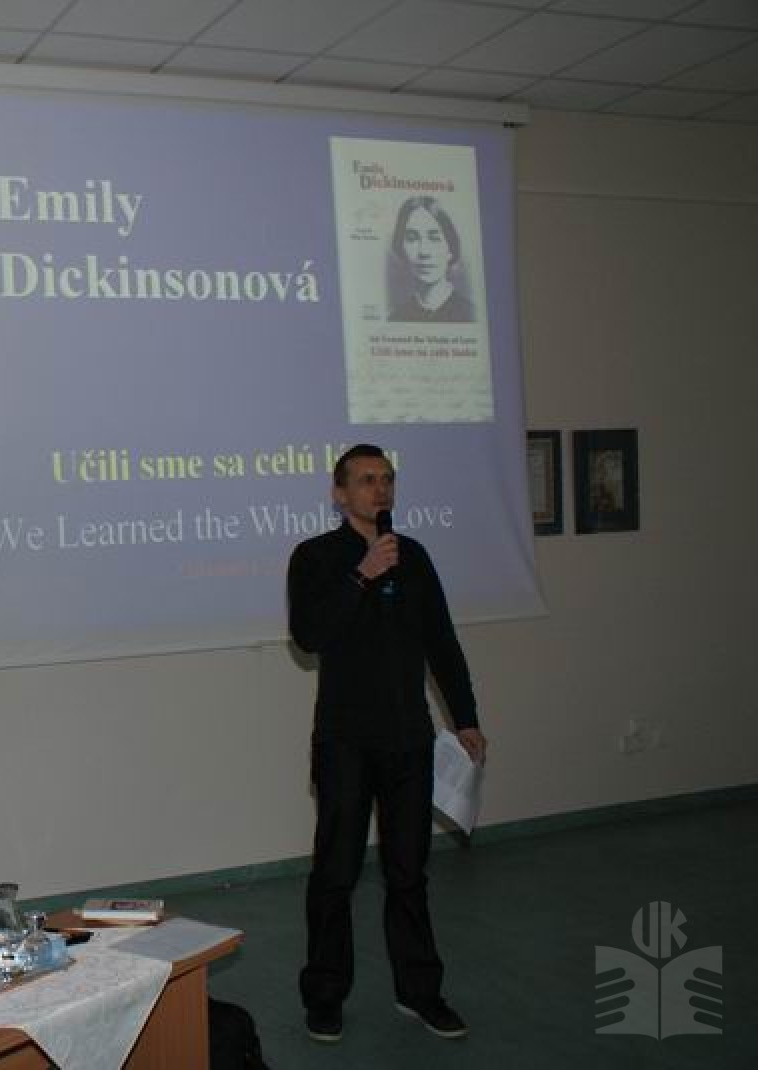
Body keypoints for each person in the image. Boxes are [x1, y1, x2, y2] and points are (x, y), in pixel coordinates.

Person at [287, 444, 487, 1044]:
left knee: (409, 874)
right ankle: (325, 996)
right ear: (339, 493)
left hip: (409, 740)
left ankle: (420, 992)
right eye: (366, 480)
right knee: (336, 874)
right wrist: (362, 574)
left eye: (387, 479)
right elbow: (309, 636)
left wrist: (466, 718)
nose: (380, 489)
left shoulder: (414, 557)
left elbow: (442, 642)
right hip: (345, 741)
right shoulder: (315, 557)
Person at [388, 196, 474, 323]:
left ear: (450, 249)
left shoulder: (471, 315)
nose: (424, 251)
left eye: (434, 238)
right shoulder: (395, 318)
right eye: (412, 238)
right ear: (401, 248)